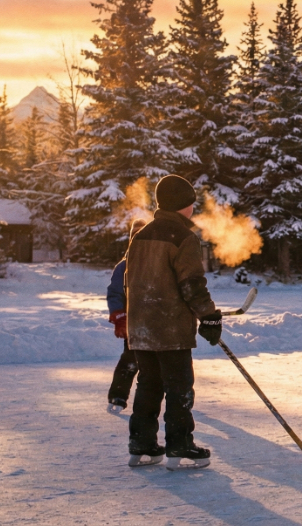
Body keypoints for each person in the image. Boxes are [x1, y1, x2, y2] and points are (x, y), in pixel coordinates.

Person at [125, 175, 222, 470]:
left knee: (149, 385)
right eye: (191, 204)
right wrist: (208, 316)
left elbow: (129, 280)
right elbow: (191, 283)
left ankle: (142, 444)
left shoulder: (140, 236)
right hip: (170, 329)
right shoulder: (182, 237)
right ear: (184, 205)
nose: (193, 209)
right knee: (179, 387)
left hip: (141, 326)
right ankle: (180, 445)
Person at [105, 218, 148, 413]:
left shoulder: (157, 263)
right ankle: (118, 395)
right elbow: (115, 293)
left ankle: (170, 395)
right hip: (134, 322)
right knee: (131, 359)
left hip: (157, 321)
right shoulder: (124, 266)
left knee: (160, 363)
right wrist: (120, 316)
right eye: (135, 236)